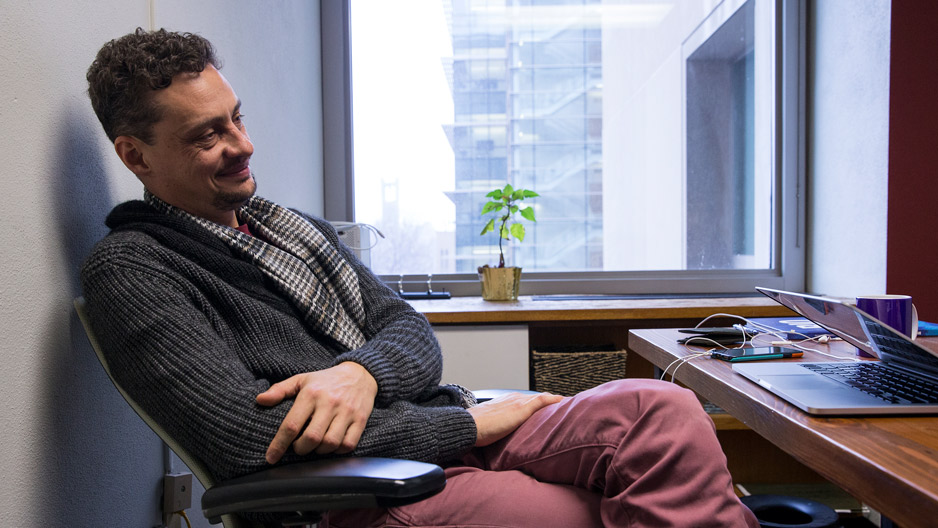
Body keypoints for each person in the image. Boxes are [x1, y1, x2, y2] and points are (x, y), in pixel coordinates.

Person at [82, 28, 759, 528]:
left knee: (660, 411)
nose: (243, 144)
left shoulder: (292, 229)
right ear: (135, 155)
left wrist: (363, 374)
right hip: (363, 492)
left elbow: (409, 331)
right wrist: (467, 430)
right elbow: (249, 442)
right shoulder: (135, 270)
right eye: (208, 135)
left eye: (238, 116)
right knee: (596, 510)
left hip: (436, 427)